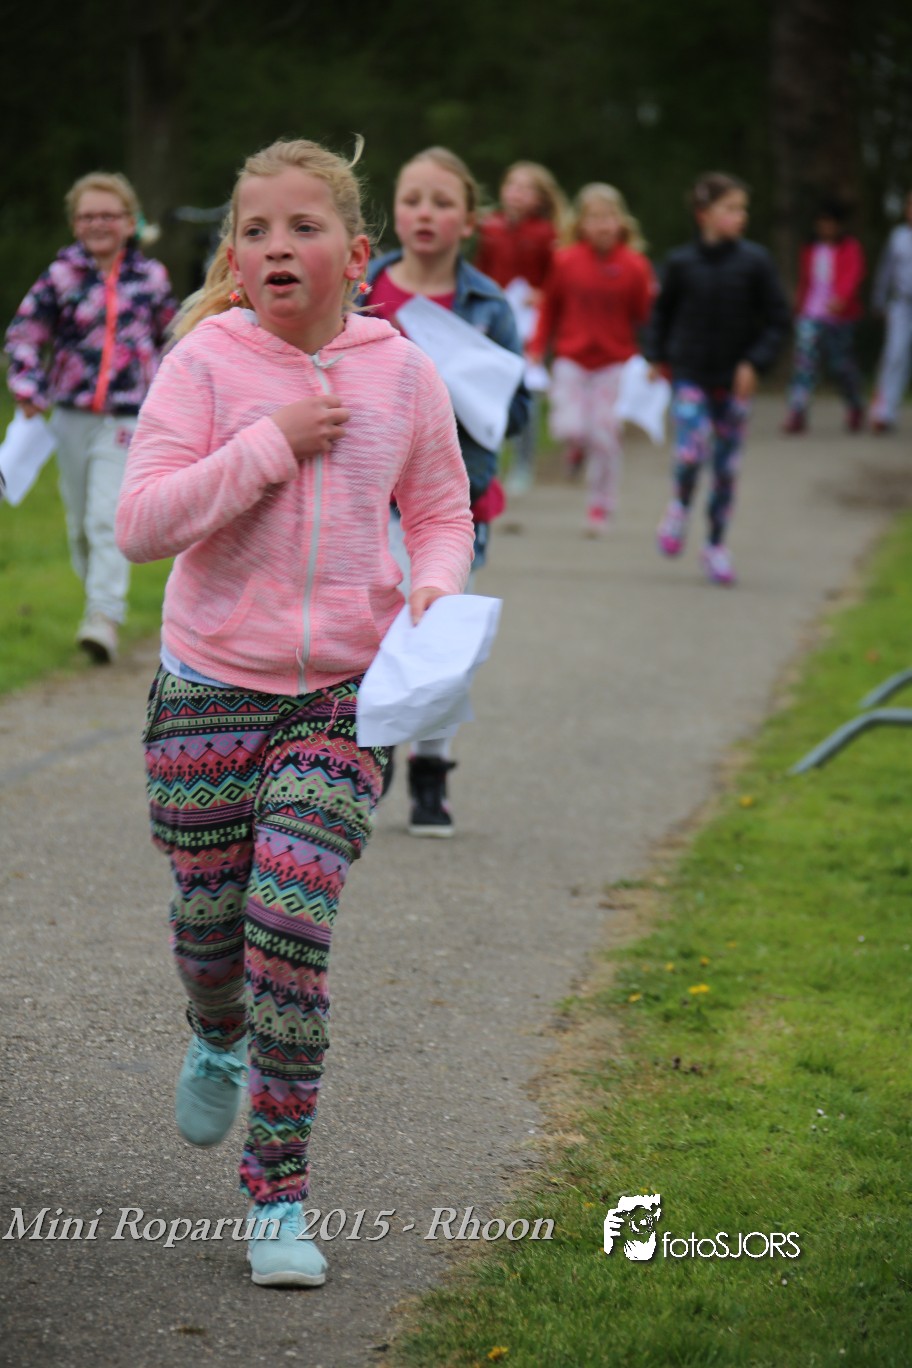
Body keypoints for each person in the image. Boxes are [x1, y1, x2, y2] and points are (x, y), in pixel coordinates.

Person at [114, 137, 475, 1287]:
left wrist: (435, 590)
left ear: (357, 254)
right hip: (209, 689)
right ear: (234, 255)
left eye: (303, 228)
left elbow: (442, 511)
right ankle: (216, 1029)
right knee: (210, 934)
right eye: (256, 230)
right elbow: (142, 523)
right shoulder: (206, 365)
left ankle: (279, 1195)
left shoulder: (402, 373)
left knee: (289, 925)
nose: (277, 246)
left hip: (341, 699)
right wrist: (267, 445)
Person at [363, 145, 529, 835]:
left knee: (437, 635)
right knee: (370, 630)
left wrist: (468, 390)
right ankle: (372, 753)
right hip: (366, 497)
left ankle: (431, 770)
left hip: (453, 505)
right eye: (412, 200)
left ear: (468, 219)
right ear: (394, 212)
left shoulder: (488, 306)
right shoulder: (361, 291)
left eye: (441, 202)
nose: (424, 213)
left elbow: (517, 413)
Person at [4, 171, 176, 662]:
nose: (98, 224)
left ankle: (103, 617)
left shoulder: (151, 278)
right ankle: (95, 604)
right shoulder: (60, 276)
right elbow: (24, 337)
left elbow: (173, 340)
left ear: (129, 221)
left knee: (106, 516)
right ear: (74, 223)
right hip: (70, 415)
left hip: (126, 417)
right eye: (88, 216)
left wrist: (168, 395)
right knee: (80, 523)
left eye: (108, 215)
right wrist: (28, 386)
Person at [645, 171, 790, 585]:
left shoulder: (756, 263)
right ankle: (678, 507)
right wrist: (655, 356)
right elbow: (660, 315)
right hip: (690, 376)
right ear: (703, 214)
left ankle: (715, 546)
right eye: (730, 208)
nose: (740, 216)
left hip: (733, 383)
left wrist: (754, 363)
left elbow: (779, 321)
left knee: (725, 470)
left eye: (743, 209)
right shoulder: (680, 263)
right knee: (691, 451)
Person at [527, 183, 654, 535]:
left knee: (606, 436)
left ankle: (601, 505)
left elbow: (646, 316)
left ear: (621, 222)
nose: (602, 225)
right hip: (571, 358)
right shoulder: (565, 261)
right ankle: (575, 448)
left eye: (609, 217)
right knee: (570, 427)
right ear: (581, 224)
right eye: (594, 217)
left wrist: (659, 359)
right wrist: (537, 346)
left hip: (615, 362)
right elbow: (549, 307)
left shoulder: (635, 266)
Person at [475, 161, 566, 493]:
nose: (516, 192)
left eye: (525, 188)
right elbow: (481, 270)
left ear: (539, 198)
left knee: (526, 389)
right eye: (512, 185)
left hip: (530, 323)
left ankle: (523, 462)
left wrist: (542, 294)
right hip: (495, 317)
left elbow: (556, 279)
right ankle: (491, 458)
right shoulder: (490, 228)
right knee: (491, 388)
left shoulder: (546, 234)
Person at [782, 201, 866, 434]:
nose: (825, 228)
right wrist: (798, 308)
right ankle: (797, 411)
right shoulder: (809, 248)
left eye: (830, 223)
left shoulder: (849, 247)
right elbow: (805, 281)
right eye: (822, 223)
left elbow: (853, 274)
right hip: (811, 314)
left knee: (842, 365)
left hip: (840, 315)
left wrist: (841, 299)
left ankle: (854, 405)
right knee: (804, 364)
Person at [869, 189, 912, 433]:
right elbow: (885, 271)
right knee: (895, 355)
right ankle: (883, 412)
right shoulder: (898, 237)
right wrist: (879, 299)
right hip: (902, 304)